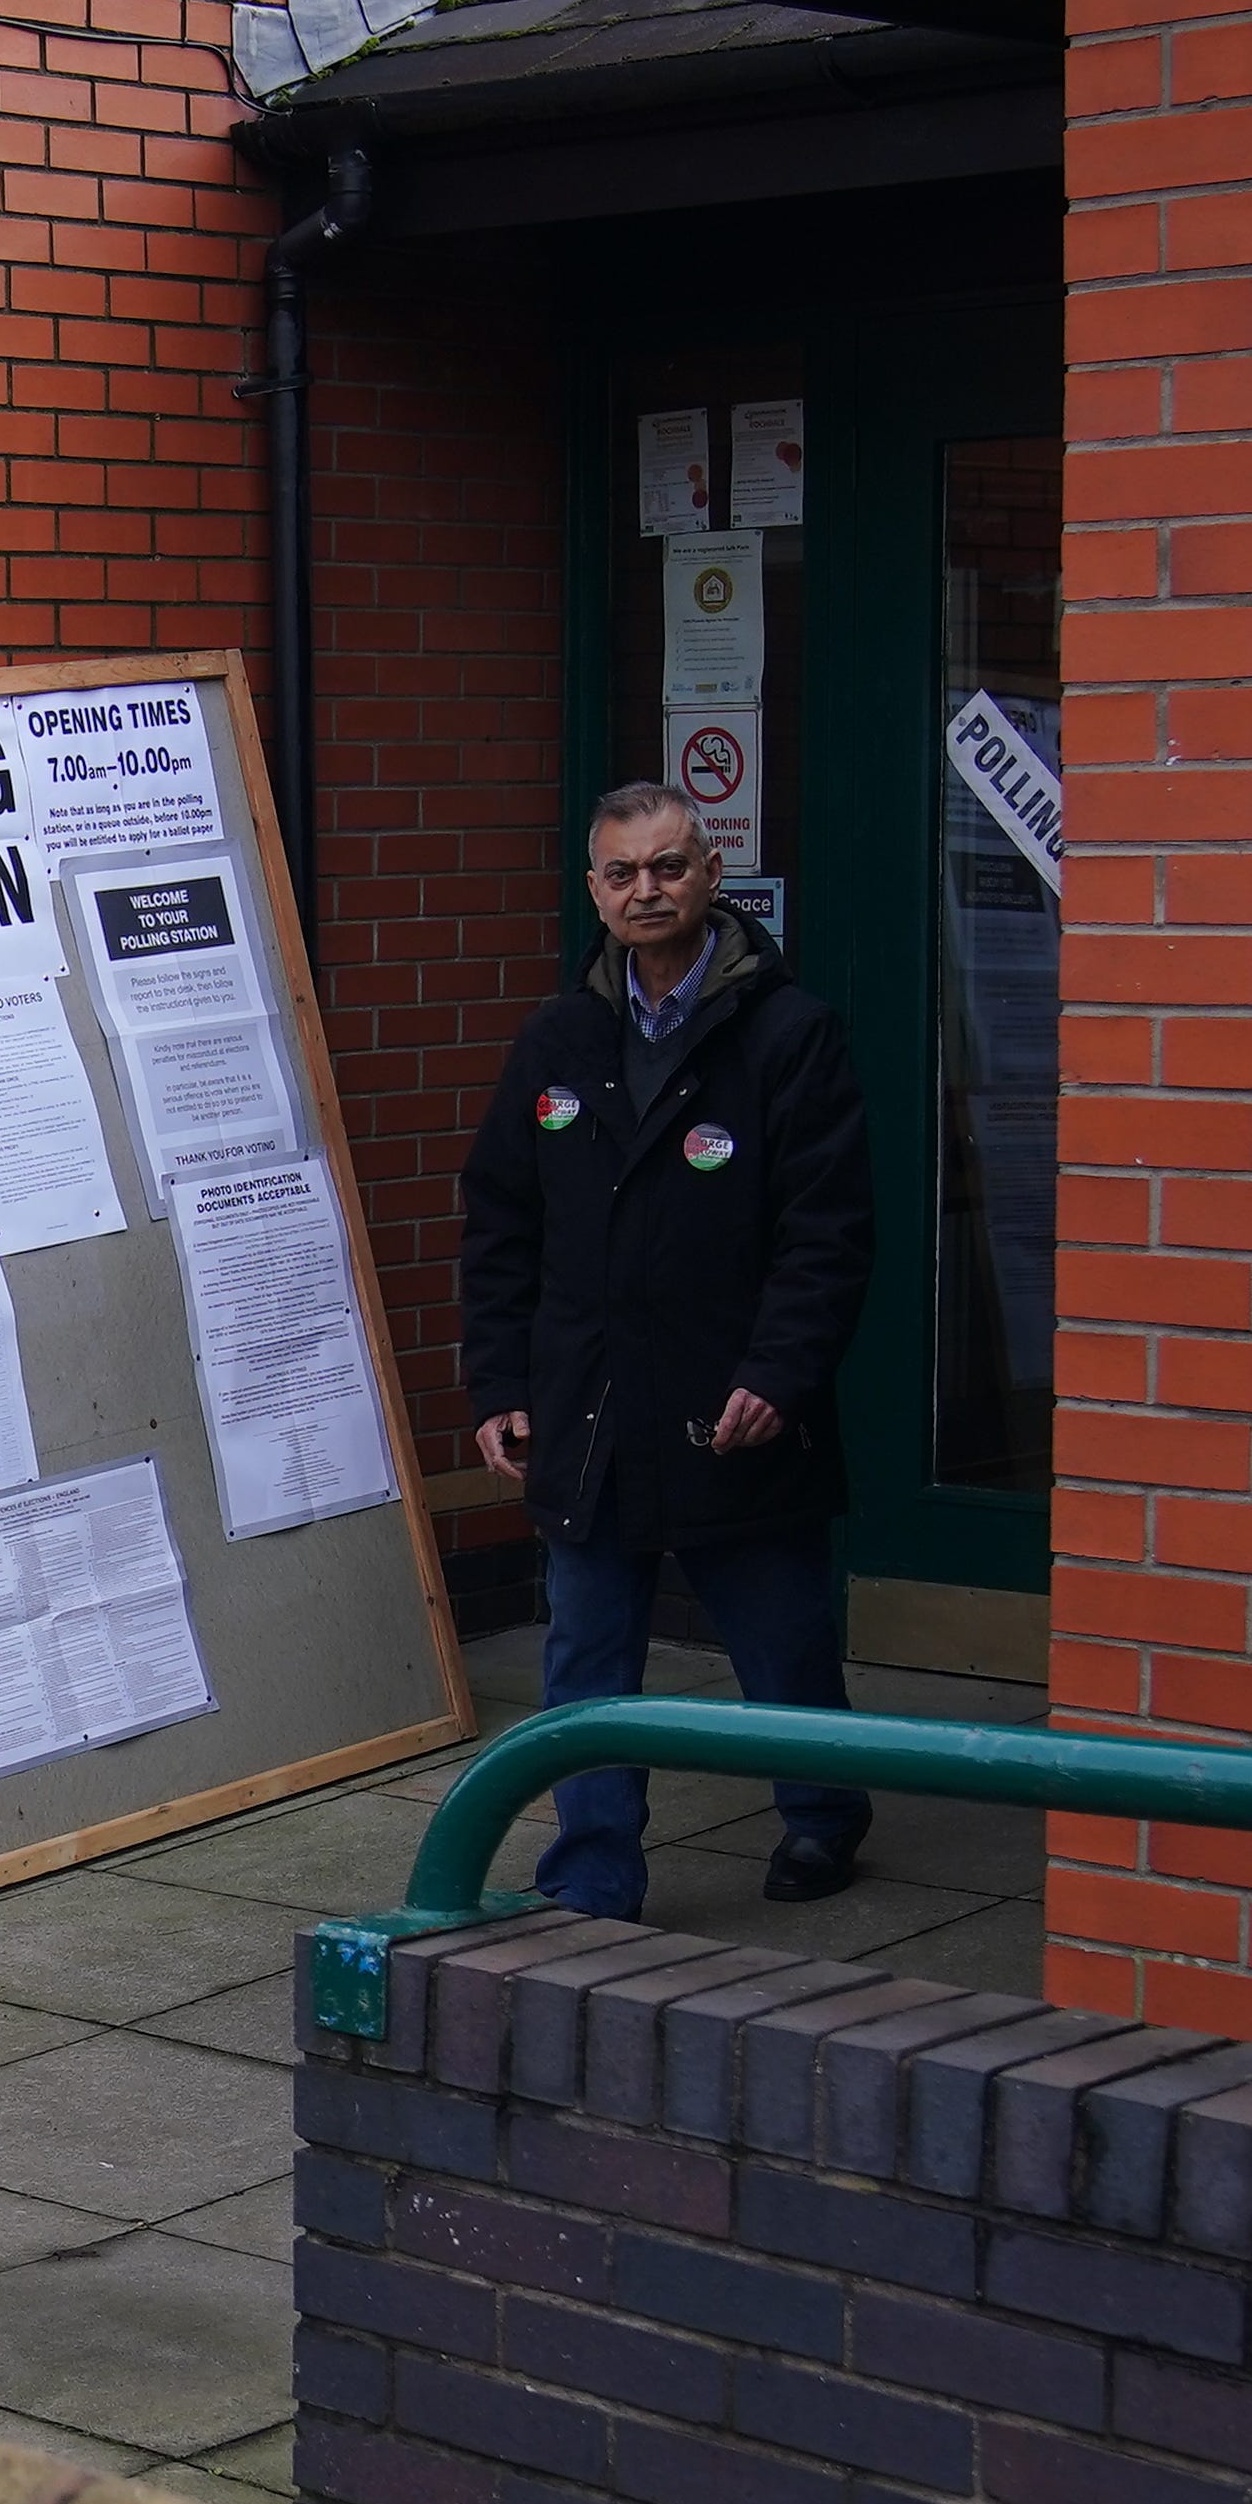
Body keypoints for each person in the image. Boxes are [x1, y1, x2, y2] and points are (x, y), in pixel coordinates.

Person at [456, 783, 875, 1919]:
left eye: (668, 867)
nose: (647, 890)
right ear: (595, 891)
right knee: (586, 1663)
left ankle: (823, 1816)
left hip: (731, 1406)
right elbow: (500, 1224)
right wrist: (498, 1384)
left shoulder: (787, 1033)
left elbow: (826, 1234)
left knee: (781, 1645)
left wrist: (778, 1375)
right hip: (583, 1409)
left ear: (710, 875)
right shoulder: (559, 1037)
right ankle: (592, 1874)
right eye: (621, 873)